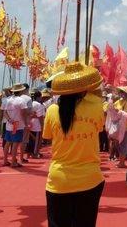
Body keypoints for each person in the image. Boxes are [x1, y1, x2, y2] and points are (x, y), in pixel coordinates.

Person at [43, 62, 105, 227]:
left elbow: (48, 136)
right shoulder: (97, 107)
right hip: (89, 179)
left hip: (59, 181)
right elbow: (99, 128)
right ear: (86, 88)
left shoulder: (52, 111)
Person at [3, 83, 28, 168]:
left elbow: (4, 112)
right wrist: (26, 123)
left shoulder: (7, 99)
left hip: (9, 124)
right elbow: (23, 114)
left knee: (8, 142)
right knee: (15, 143)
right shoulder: (21, 100)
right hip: (18, 124)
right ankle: (13, 161)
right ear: (21, 91)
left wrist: (9, 120)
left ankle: (5, 160)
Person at [106, 86, 127, 168]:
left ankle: (122, 162)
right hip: (117, 127)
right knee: (118, 144)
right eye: (120, 92)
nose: (121, 94)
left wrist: (118, 111)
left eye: (123, 92)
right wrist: (111, 101)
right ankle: (121, 160)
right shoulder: (119, 101)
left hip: (125, 127)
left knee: (123, 144)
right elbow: (110, 108)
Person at [26, 90, 45, 159]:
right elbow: (40, 117)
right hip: (37, 124)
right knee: (36, 140)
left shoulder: (31, 103)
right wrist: (42, 126)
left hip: (30, 123)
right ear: (39, 97)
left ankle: (29, 153)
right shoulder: (39, 105)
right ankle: (35, 153)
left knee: (30, 139)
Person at [19, 83, 33, 163]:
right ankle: (21, 158)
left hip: (17, 122)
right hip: (26, 121)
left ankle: (15, 157)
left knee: (16, 141)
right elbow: (29, 111)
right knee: (24, 140)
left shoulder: (18, 98)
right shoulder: (28, 98)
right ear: (27, 89)